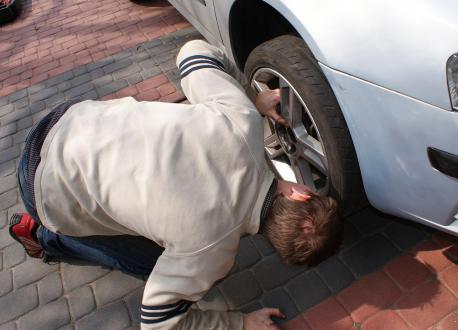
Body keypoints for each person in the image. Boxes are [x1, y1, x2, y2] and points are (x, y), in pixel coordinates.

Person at [8, 40, 342, 330]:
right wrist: (238, 323)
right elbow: (159, 322)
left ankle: (46, 236)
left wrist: (247, 98)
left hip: (63, 120)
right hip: (45, 188)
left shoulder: (242, 122)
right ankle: (45, 237)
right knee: (152, 263)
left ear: (301, 192)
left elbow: (192, 52)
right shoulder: (210, 254)